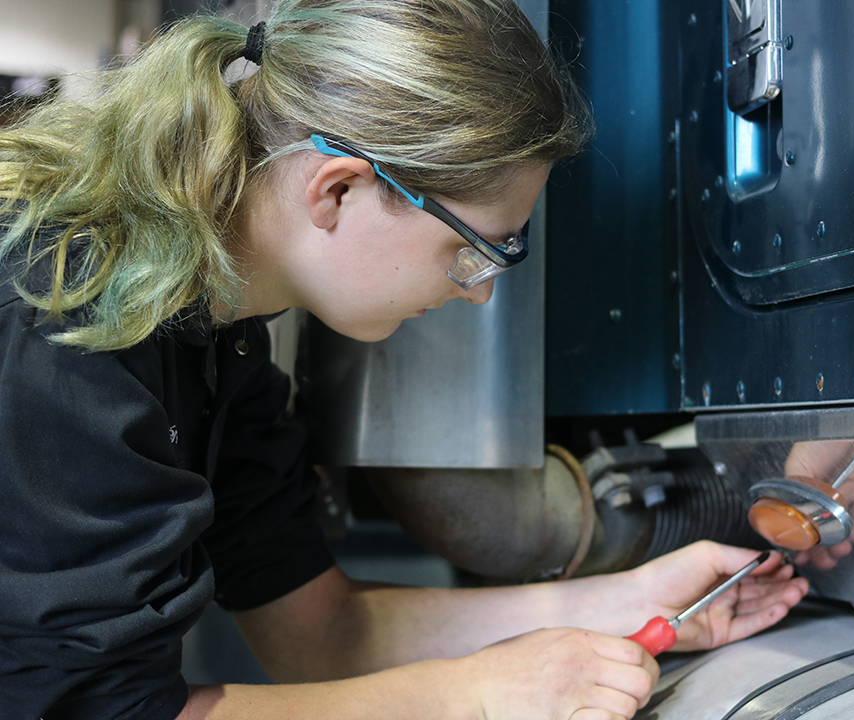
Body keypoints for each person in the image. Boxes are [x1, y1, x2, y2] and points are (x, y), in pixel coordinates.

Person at [0, 2, 809, 719]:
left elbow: (324, 635)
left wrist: (630, 598)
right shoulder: (57, 327)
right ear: (339, 191)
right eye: (472, 254)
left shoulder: (220, 338)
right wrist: (480, 695)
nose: (479, 294)